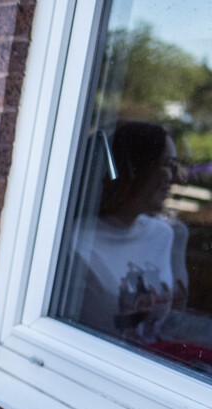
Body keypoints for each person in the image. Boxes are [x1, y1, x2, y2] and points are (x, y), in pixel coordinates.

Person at [71, 120, 185, 344]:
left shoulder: (164, 235)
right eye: (167, 164)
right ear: (135, 167)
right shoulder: (74, 240)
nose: (175, 177)